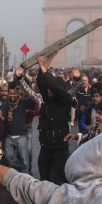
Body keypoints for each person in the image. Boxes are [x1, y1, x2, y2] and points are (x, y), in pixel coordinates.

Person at [14, 52, 77, 184]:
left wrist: (42, 64)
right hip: (45, 148)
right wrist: (20, 78)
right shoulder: (43, 99)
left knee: (54, 182)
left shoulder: (65, 100)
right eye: (47, 88)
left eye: (52, 88)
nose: (49, 90)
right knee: (44, 182)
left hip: (59, 149)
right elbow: (37, 85)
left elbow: (57, 85)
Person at [0, 86, 34, 173]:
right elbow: (4, 117)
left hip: (21, 136)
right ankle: (20, 169)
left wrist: (24, 92)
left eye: (14, 93)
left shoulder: (23, 102)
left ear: (17, 94)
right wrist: (0, 117)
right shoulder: (5, 104)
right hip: (9, 136)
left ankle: (25, 179)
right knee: (9, 156)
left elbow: (34, 101)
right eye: (10, 93)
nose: (12, 95)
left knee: (24, 159)